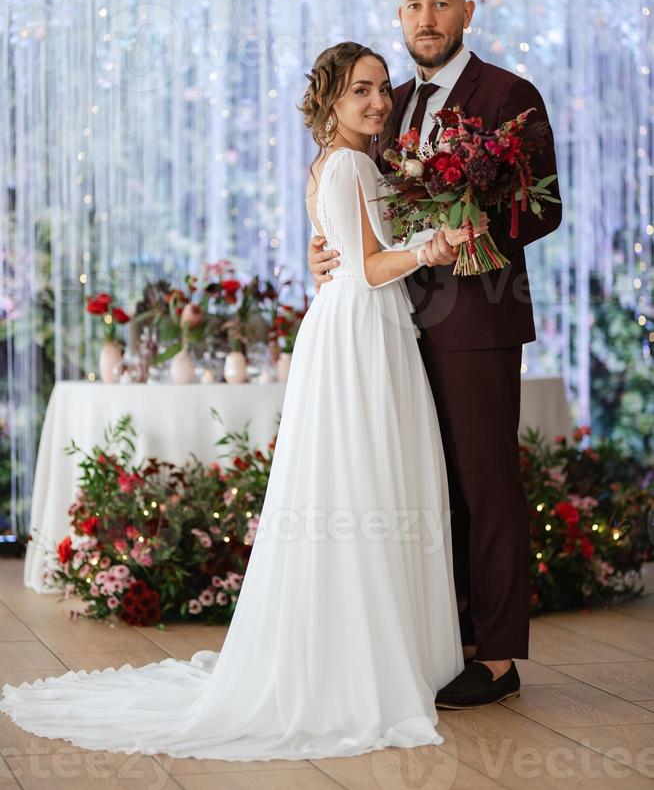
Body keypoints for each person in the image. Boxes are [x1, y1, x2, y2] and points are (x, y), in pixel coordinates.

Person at [1, 42, 488, 760]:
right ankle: (378, 661)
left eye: (383, 89)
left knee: (358, 479)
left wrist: (410, 237)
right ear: (329, 102)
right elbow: (370, 264)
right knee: (370, 472)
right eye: (362, 90)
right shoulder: (352, 163)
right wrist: (435, 246)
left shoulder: (339, 163)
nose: (379, 102)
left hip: (356, 323)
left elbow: (342, 251)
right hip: (363, 328)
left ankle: (367, 649)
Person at [309, 0, 562, 709]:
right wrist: (326, 246)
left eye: (441, 4)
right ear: (400, 15)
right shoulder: (389, 106)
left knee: (486, 487)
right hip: (391, 324)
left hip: (478, 319)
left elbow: (544, 208)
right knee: (426, 487)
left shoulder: (509, 95)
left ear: (467, 11)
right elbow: (365, 206)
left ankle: (497, 657)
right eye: (414, 4)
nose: (427, 18)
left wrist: (479, 220)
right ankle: (440, 641)